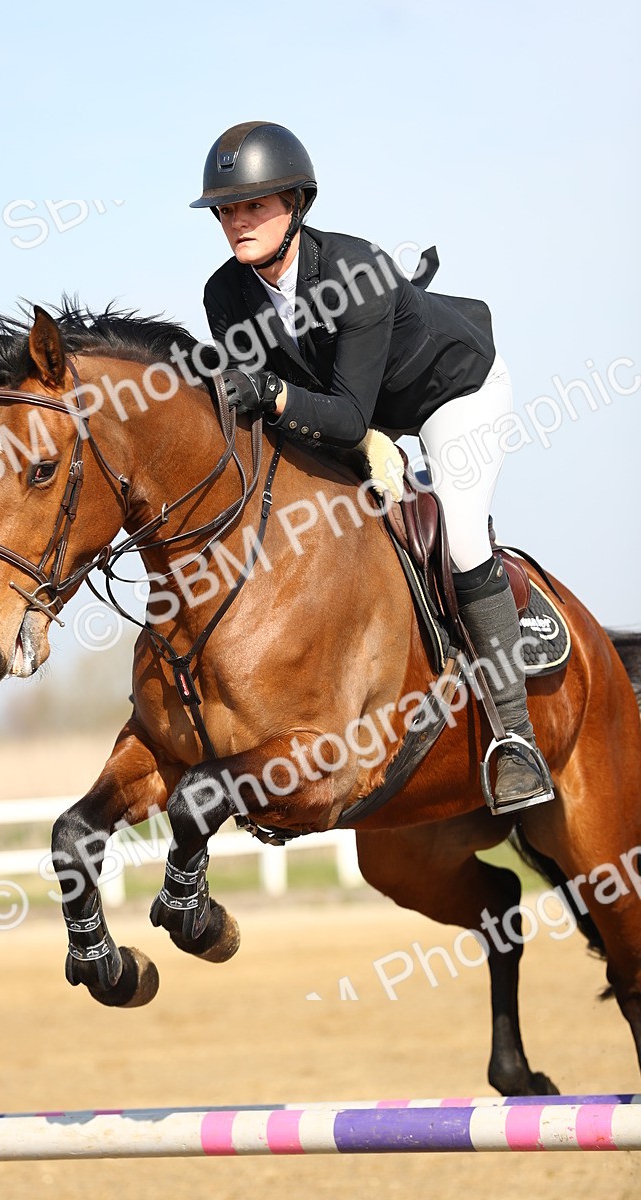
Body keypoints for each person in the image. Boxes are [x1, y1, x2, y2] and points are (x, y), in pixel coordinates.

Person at [191, 120, 554, 816]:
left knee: (460, 536)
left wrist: (271, 394)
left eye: (254, 205)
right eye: (227, 210)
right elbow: (282, 420)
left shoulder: (354, 271)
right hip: (353, 412)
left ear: (297, 204)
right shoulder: (225, 295)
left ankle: (515, 738)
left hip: (450, 392)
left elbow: (345, 416)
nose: (237, 221)